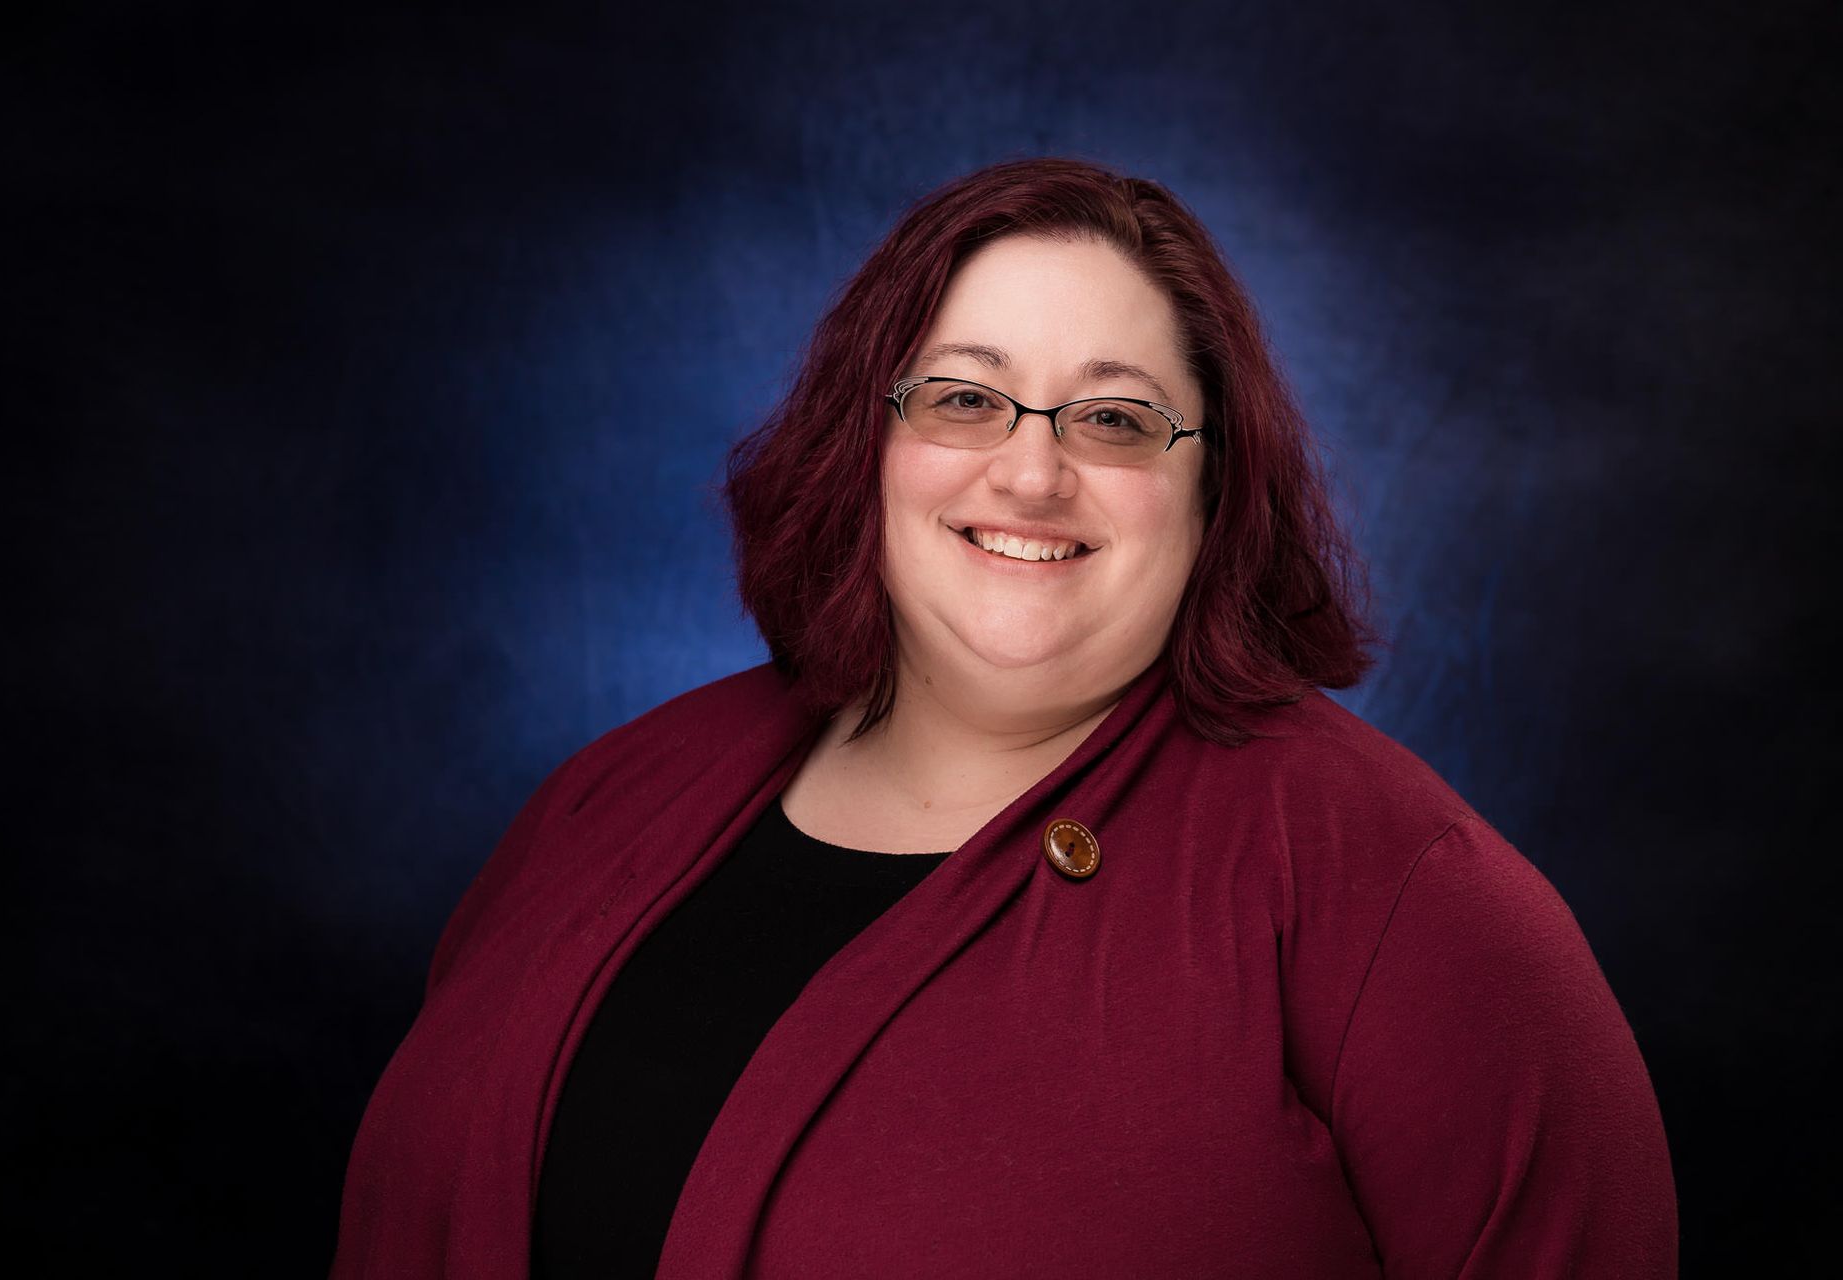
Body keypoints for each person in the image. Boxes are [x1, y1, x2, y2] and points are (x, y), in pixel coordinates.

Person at [330, 157, 1678, 1278]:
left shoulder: (1400, 894)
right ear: (865, 445)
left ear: (1218, 490)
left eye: (1116, 420)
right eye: (966, 398)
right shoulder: (610, 797)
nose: (1030, 469)